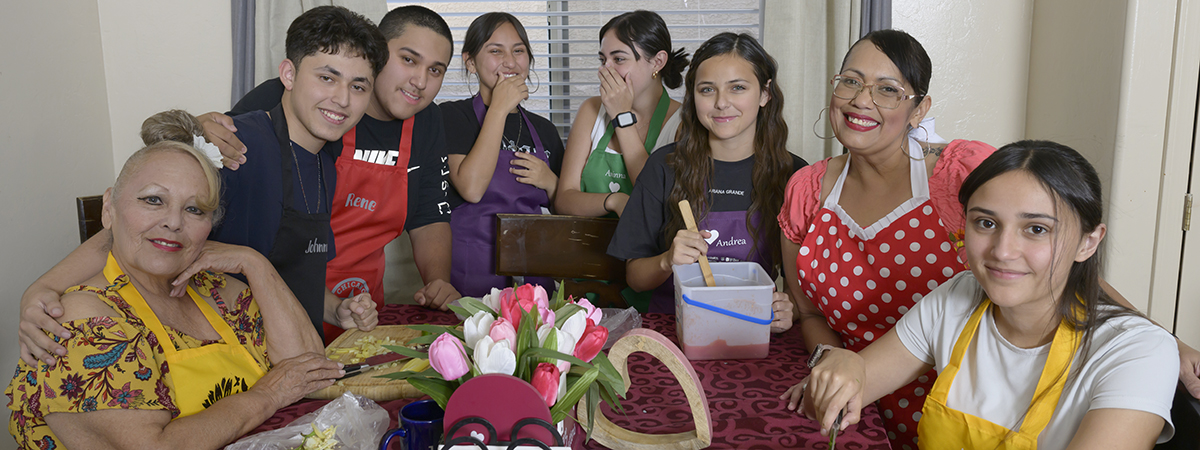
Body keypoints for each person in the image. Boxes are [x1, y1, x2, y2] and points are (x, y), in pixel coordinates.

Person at [16, 6, 386, 365]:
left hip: (291, 357)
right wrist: (43, 288)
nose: (342, 98)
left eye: (358, 86)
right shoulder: (238, 146)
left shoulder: (325, 162)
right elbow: (137, 221)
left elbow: (295, 272)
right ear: (288, 74)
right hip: (232, 365)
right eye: (327, 77)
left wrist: (336, 308)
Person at [788, 141, 1178, 449]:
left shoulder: (1138, 351)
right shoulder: (956, 298)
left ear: (1088, 242)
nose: (1002, 251)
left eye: (1037, 229)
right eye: (986, 223)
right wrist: (843, 371)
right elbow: (855, 382)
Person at [7, 139, 344, 450]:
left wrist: (253, 263)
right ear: (108, 207)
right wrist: (269, 394)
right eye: (153, 200)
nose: (173, 222)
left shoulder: (219, 291)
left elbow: (309, 372)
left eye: (195, 210)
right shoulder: (83, 321)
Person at [773, 29, 994, 448]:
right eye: (851, 82)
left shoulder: (962, 174)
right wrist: (831, 367)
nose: (861, 100)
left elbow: (1043, 268)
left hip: (963, 414)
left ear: (919, 109)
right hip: (858, 413)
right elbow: (810, 315)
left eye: (888, 90)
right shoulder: (806, 190)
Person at [199, 5, 460, 341]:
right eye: (409, 59)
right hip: (244, 331)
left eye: (435, 70)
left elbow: (428, 212)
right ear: (290, 77)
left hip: (346, 311)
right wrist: (188, 131)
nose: (420, 80)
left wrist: (339, 307)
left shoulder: (327, 154)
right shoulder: (271, 126)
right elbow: (204, 152)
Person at [605, 32, 803, 333]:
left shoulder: (795, 177)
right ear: (692, 96)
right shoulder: (664, 167)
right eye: (707, 89)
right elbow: (635, 277)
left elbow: (805, 296)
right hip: (672, 332)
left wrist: (790, 311)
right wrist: (666, 260)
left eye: (738, 88)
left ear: (765, 94)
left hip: (753, 332)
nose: (722, 103)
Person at [441, 12, 564, 297]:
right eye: (496, 51)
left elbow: (566, 212)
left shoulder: (544, 130)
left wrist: (551, 182)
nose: (510, 62)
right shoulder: (451, 116)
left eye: (518, 51)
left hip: (533, 279)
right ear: (470, 61)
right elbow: (471, 188)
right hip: (469, 276)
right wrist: (498, 109)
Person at [554, 10, 687, 218]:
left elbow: (659, 199)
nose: (605, 69)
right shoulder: (590, 110)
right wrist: (614, 200)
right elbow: (564, 200)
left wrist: (621, 117)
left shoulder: (682, 122)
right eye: (602, 59)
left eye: (618, 59)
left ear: (658, 62)